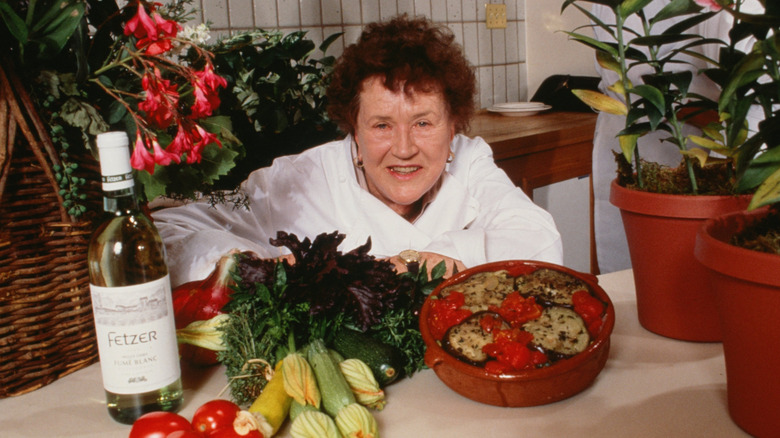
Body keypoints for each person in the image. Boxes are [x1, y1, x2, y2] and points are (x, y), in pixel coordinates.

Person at [153, 15, 563, 286]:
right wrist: (250, 265)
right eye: (382, 125)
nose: (404, 149)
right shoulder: (298, 179)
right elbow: (167, 229)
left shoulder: (470, 161)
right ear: (353, 128)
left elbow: (542, 244)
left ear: (453, 124)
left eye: (423, 123)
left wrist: (419, 263)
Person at [590, 0, 761, 273]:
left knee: (696, 273)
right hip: (631, 136)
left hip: (706, 145)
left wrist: (680, 109)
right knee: (634, 278)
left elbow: (745, 84)